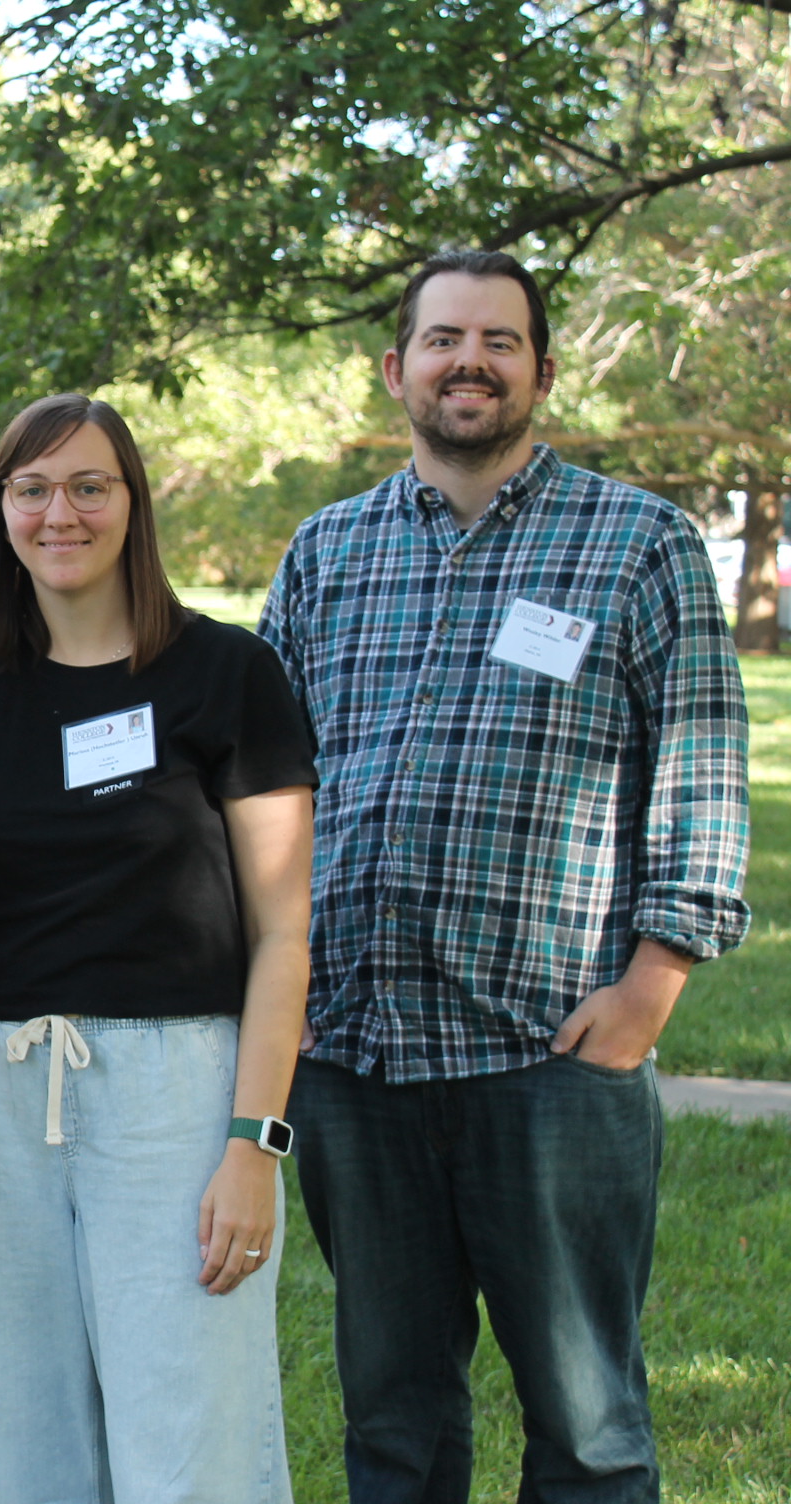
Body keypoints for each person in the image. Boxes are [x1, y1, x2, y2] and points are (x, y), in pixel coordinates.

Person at [258, 250, 750, 1503]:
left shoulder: (637, 541)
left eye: (498, 341)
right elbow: (264, 782)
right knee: (394, 1423)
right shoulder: (329, 550)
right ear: (397, 367)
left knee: (586, 1424)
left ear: (539, 368)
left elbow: (700, 757)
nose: (467, 362)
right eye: (441, 340)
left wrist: (655, 981)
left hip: (552, 1050)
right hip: (356, 1051)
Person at [0, 394, 316, 1503]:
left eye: (90, 484)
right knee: (20, 1437)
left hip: (178, 1098)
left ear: (133, 505)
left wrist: (254, 1143)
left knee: (192, 1440)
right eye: (31, 489)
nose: (61, 513)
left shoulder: (229, 675)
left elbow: (284, 931)